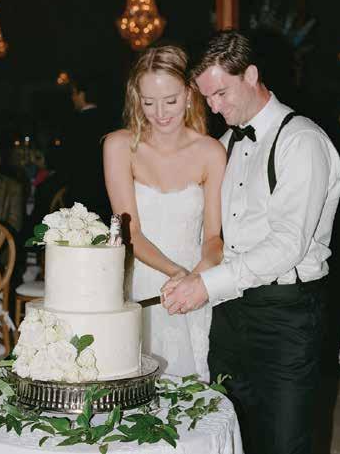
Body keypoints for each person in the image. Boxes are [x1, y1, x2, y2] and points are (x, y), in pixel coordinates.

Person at [161, 30, 340, 454]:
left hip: (286, 315)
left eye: (221, 93)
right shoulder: (226, 144)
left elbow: (287, 245)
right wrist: (191, 276)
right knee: (232, 434)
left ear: (252, 75)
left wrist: (208, 284)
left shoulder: (301, 141)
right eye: (207, 98)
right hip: (230, 314)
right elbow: (215, 235)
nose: (214, 107)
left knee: (285, 441)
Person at [103, 45, 226, 381]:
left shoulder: (211, 152)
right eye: (148, 102)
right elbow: (131, 232)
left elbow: (213, 238)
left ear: (188, 94)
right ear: (136, 99)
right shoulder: (119, 146)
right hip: (140, 283)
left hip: (195, 285)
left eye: (170, 101)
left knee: (189, 390)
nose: (159, 113)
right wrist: (176, 273)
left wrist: (198, 277)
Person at [64, 74, 113, 222]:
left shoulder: (74, 123)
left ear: (82, 94)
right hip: (106, 193)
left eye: (74, 93)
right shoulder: (109, 120)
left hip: (80, 193)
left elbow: (65, 160)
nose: (72, 98)